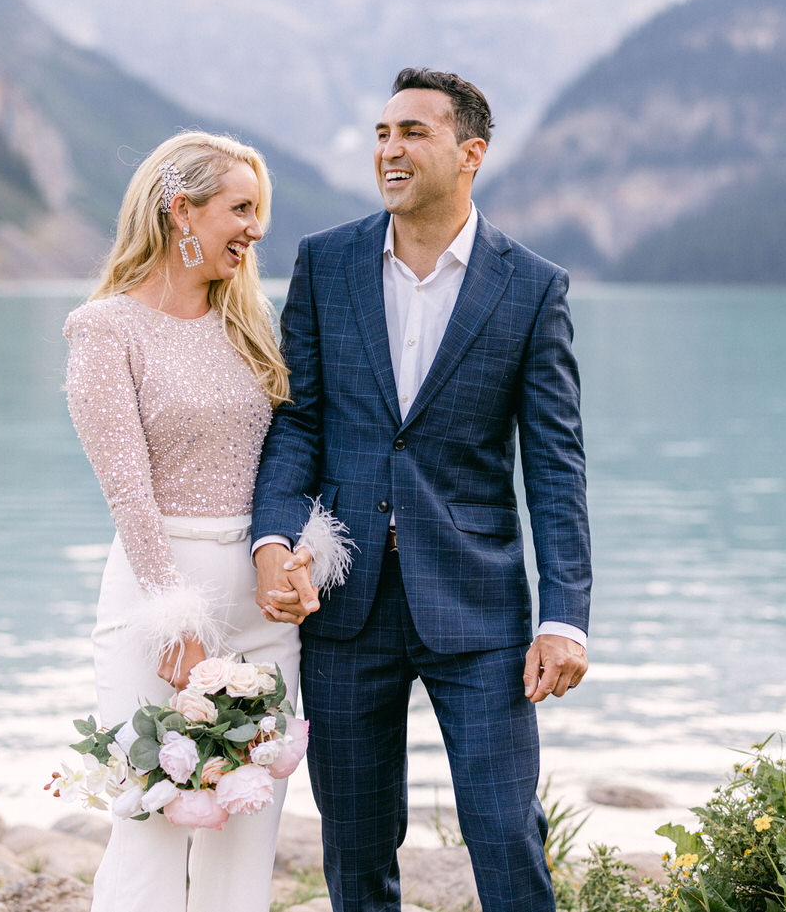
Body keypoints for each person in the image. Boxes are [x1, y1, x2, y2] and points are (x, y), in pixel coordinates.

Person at [251, 68, 593, 912]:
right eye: (381, 133)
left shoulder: (532, 287)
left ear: (471, 152)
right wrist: (270, 540)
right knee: (356, 841)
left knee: (505, 831)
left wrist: (564, 615)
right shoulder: (324, 262)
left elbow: (555, 462)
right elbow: (298, 423)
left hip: (478, 609)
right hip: (346, 604)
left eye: (412, 132)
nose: (389, 149)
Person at [62, 131, 341, 912]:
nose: (256, 229)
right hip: (159, 600)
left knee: (245, 829)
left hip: (261, 614)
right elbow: (128, 493)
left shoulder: (251, 325)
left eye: (261, 211)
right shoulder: (105, 331)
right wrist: (172, 617)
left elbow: (291, 453)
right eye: (240, 209)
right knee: (149, 818)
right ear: (181, 210)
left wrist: (297, 555)